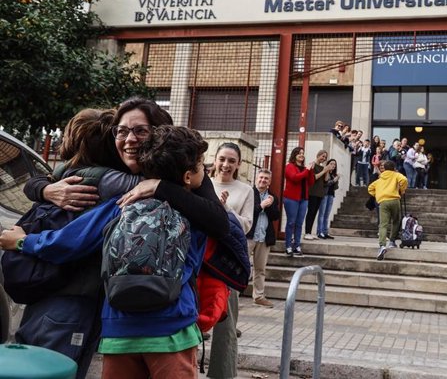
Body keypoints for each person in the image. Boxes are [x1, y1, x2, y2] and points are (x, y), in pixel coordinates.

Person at [12, 98, 232, 378]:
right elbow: (52, 176)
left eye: (141, 131)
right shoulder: (184, 194)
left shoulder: (122, 200)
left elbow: (71, 239)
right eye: (121, 131)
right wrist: (43, 189)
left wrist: (22, 241)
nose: (129, 139)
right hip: (172, 325)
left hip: (118, 327)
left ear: (158, 135)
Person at [208, 142, 255, 379]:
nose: (226, 165)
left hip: (228, 263)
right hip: (200, 258)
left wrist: (226, 208)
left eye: (231, 161)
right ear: (214, 159)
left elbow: (246, 225)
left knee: (226, 323)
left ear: (238, 165)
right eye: (222, 159)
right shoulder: (201, 183)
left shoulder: (246, 190)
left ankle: (222, 374)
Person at [246, 169, 280, 307]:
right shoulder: (249, 194)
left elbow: (275, 216)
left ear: (269, 182)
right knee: (242, 265)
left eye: (266, 179)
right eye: (261, 178)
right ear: (256, 179)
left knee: (260, 268)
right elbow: (247, 213)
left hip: (264, 237)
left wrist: (270, 205)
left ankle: (258, 296)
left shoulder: (273, 197)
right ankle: (234, 293)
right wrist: (261, 206)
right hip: (249, 235)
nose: (263, 180)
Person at [367, 160, 407, 261]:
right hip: (395, 200)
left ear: (384, 168)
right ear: (393, 168)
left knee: (383, 224)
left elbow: (370, 188)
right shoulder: (396, 175)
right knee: (396, 221)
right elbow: (404, 180)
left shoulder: (380, 179)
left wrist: (377, 194)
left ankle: (382, 246)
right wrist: (401, 190)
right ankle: (392, 241)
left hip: (383, 202)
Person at [283, 147, 315, 257]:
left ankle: (297, 245)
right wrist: (307, 170)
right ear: (294, 155)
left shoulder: (305, 169)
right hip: (291, 199)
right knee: (291, 222)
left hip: (303, 199)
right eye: (299, 153)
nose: (302, 155)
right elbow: (295, 178)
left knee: (299, 223)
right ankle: (288, 246)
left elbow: (311, 182)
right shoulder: (289, 167)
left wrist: (310, 170)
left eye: (303, 153)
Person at [304, 150, 331, 240]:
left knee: (314, 213)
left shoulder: (322, 167)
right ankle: (307, 232)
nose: (323, 158)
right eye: (322, 156)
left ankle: (310, 232)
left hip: (320, 193)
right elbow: (314, 177)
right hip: (312, 192)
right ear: (318, 155)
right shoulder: (312, 165)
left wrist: (327, 171)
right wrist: (324, 171)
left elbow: (326, 180)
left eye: (325, 157)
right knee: (310, 213)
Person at [317, 159, 339, 239]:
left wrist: (336, 180)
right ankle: (319, 232)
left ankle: (325, 232)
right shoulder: (325, 172)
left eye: (334, 164)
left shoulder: (334, 174)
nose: (333, 165)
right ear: (328, 164)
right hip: (324, 195)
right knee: (322, 214)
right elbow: (325, 184)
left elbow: (335, 187)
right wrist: (334, 180)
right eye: (331, 163)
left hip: (331, 195)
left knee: (327, 214)